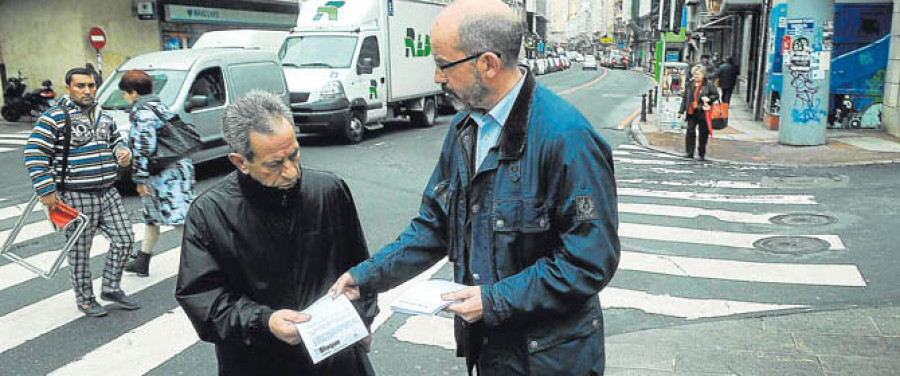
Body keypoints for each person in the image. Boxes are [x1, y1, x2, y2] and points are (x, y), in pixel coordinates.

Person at [330, 0, 621, 374]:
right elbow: (435, 225)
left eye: (443, 64)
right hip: (490, 349)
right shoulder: (465, 129)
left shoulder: (568, 138)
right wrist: (365, 277)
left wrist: (493, 300)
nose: (437, 78)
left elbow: (588, 262)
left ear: (488, 64)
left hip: (551, 360)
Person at [175, 90, 377, 376]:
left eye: (294, 155)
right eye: (274, 164)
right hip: (257, 363)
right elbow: (204, 301)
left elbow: (361, 270)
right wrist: (265, 322)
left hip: (338, 360)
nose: (291, 172)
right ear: (240, 162)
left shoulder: (329, 190)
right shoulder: (210, 213)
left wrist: (363, 320)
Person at [24, 67, 139, 317]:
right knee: (79, 252)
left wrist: (123, 152)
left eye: (91, 86)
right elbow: (34, 154)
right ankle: (85, 300)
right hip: (75, 195)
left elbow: (116, 141)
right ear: (69, 88)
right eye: (81, 86)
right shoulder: (55, 117)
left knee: (125, 239)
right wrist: (46, 190)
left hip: (108, 192)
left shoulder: (104, 116)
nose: (87, 91)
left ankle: (110, 287)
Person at [117, 70, 195, 277]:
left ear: (133, 93)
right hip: (173, 168)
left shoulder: (143, 113)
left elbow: (145, 146)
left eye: (125, 93)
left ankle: (204, 263)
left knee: (179, 219)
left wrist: (139, 178)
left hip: (166, 174)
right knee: (152, 216)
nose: (125, 98)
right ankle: (143, 260)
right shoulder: (158, 105)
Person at [678, 65, 719, 161]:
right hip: (691, 111)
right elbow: (685, 99)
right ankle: (689, 152)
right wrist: (681, 111)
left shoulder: (708, 84)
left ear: (703, 75)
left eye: (698, 74)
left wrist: (709, 99)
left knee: (703, 134)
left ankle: (701, 153)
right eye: (694, 74)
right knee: (690, 131)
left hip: (703, 112)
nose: (695, 76)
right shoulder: (689, 84)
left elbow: (716, 95)